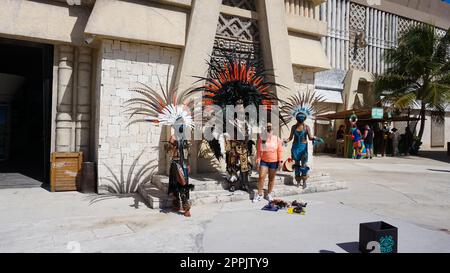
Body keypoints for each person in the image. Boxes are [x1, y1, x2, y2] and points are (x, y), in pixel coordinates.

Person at [284, 112, 318, 188]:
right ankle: (298, 181)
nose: (301, 119)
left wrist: (314, 138)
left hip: (303, 148)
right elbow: (290, 137)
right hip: (295, 148)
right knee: (296, 165)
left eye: (302, 118)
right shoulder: (294, 127)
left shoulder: (306, 127)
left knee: (303, 165)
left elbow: (309, 137)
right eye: (300, 118)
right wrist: (286, 141)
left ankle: (304, 181)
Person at [167, 123, 194, 217]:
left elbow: (186, 153)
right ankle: (178, 205)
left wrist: (188, 163)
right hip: (176, 163)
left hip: (184, 164)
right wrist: (172, 143)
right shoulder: (173, 138)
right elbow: (169, 151)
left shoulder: (185, 138)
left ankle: (186, 207)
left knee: (184, 184)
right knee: (177, 184)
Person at [253, 123, 283, 203]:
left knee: (271, 178)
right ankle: (259, 194)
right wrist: (258, 160)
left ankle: (269, 194)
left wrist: (280, 161)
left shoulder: (277, 139)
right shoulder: (262, 139)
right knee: (261, 176)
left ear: (273, 130)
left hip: (274, 162)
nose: (269, 130)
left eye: (270, 129)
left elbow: (279, 150)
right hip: (264, 161)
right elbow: (259, 151)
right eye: (267, 129)